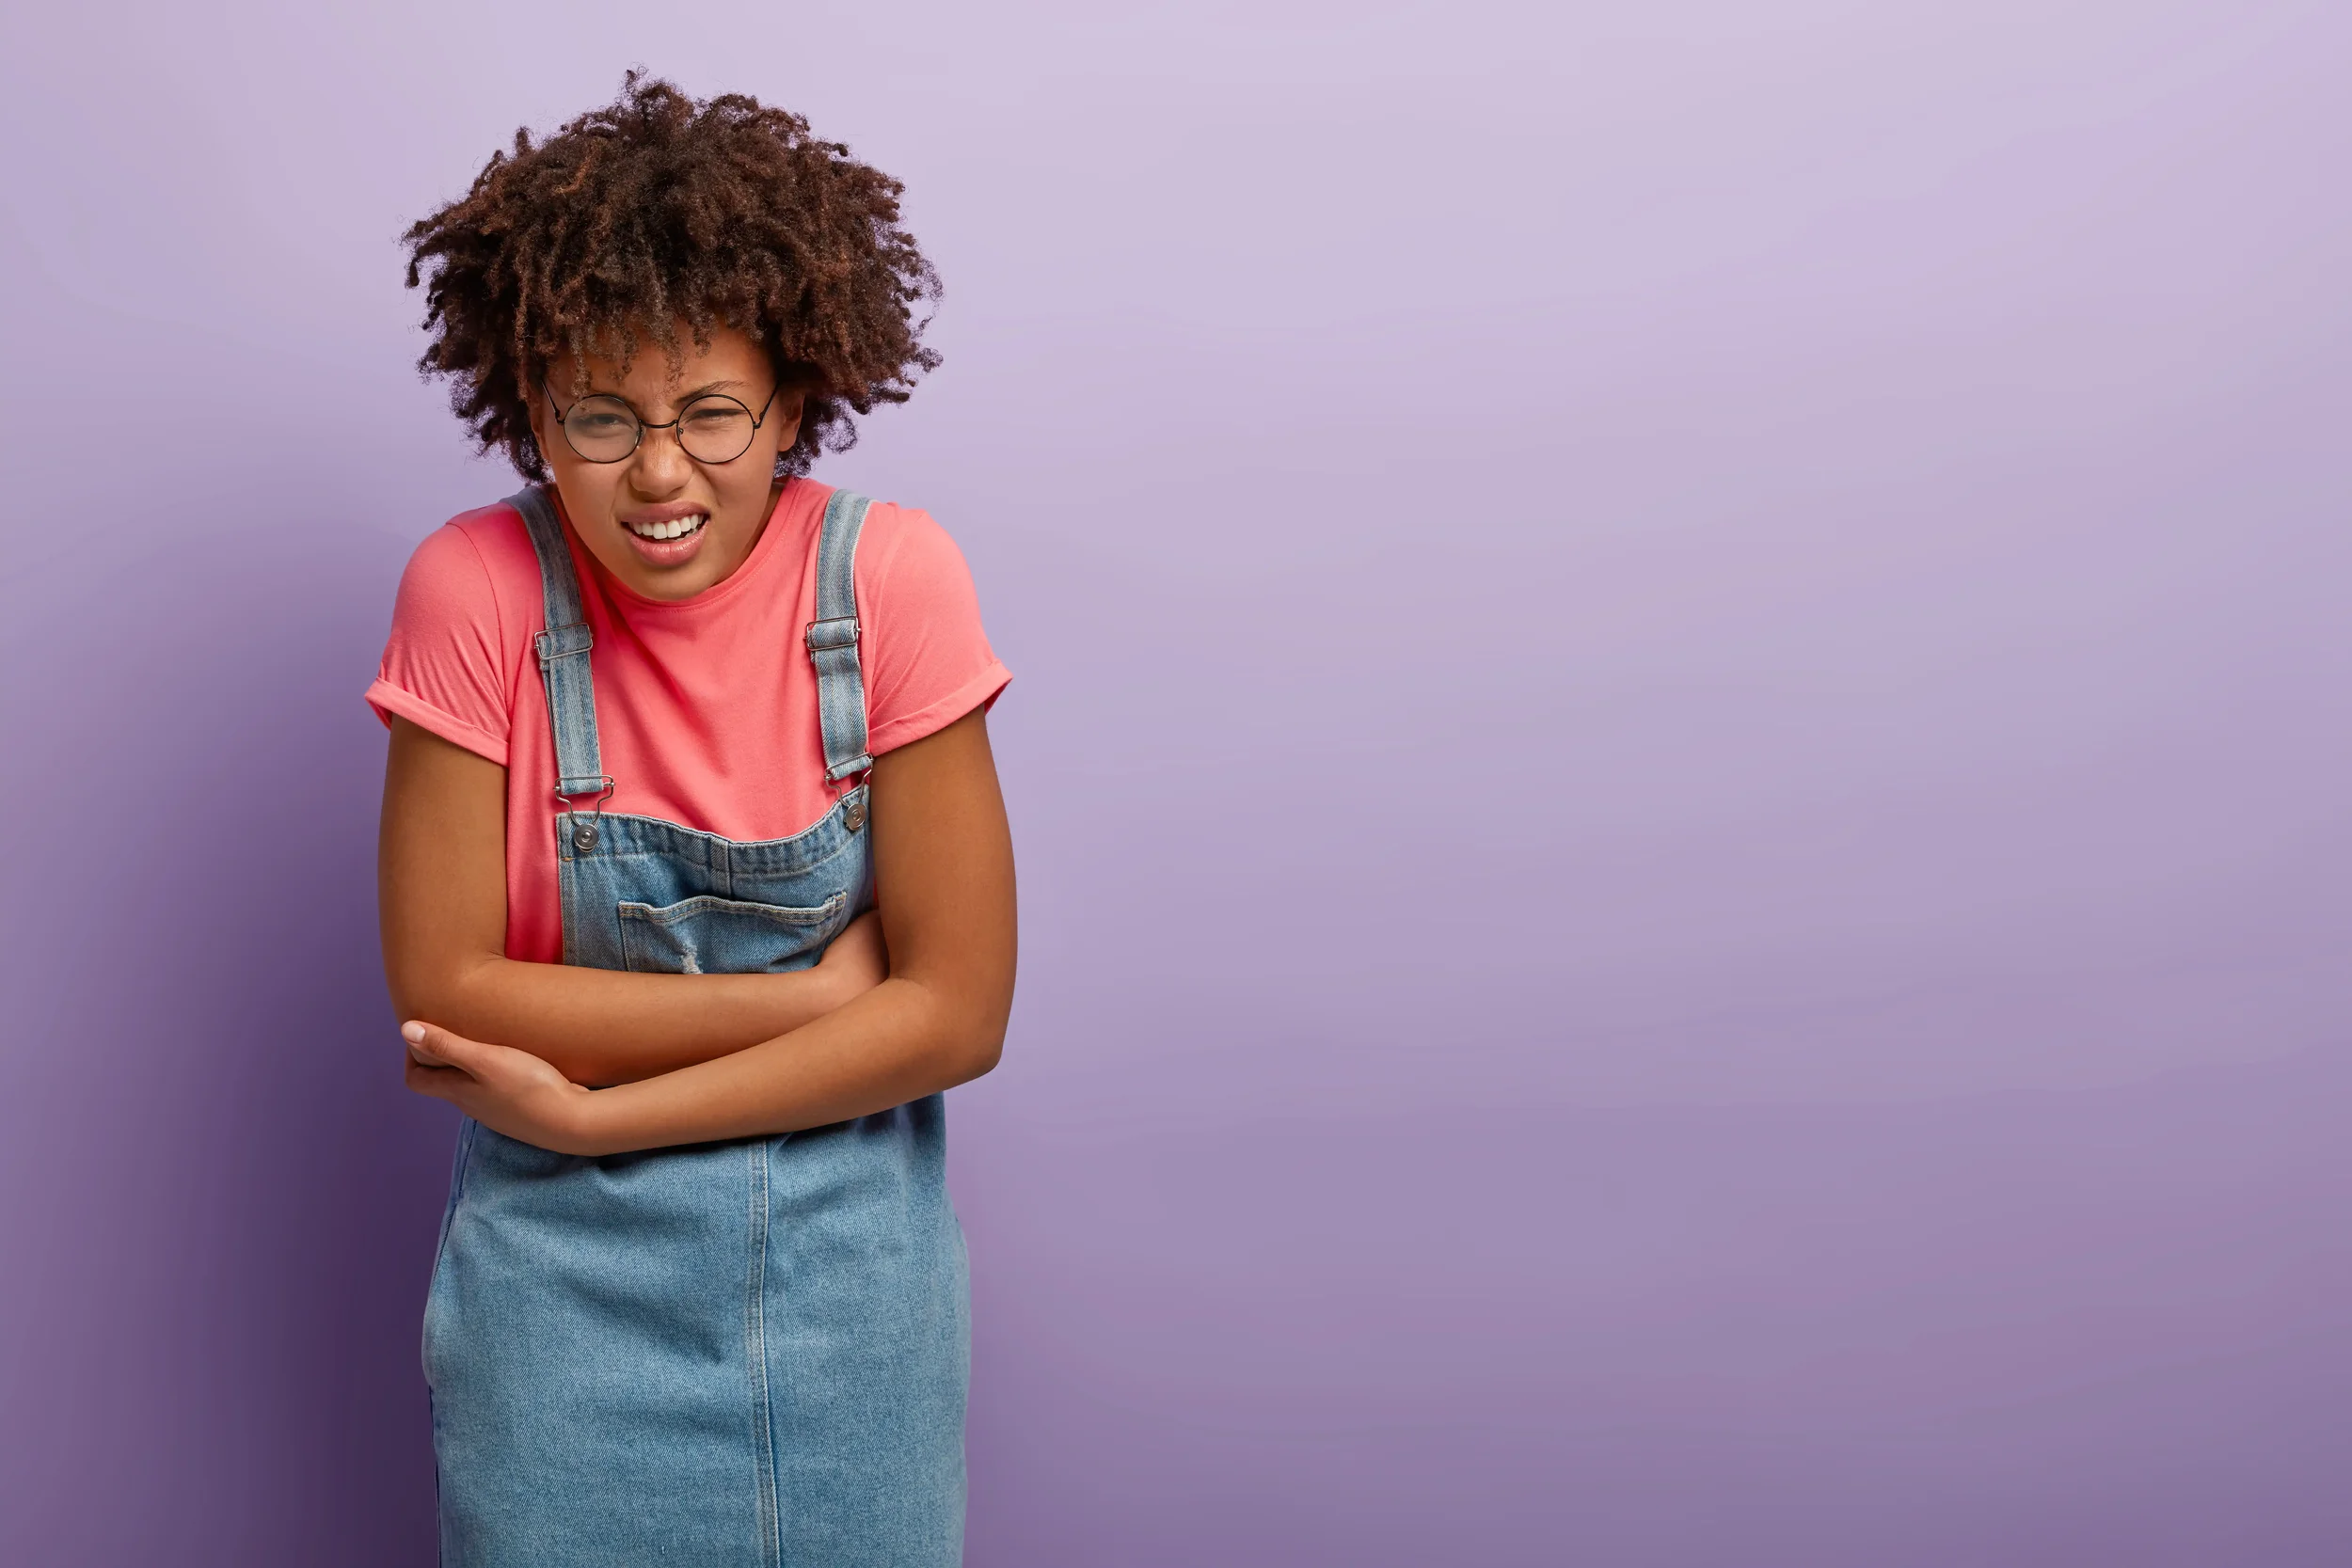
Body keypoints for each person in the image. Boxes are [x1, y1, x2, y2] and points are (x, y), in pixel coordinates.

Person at [368, 74, 1014, 1567]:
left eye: (711, 412)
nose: (658, 472)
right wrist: (826, 1002)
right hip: (559, 1317)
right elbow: (448, 991)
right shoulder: (475, 594)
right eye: (601, 417)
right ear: (532, 410)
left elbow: (961, 1013)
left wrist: (593, 1108)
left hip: (857, 1318)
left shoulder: (890, 583)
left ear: (790, 400)